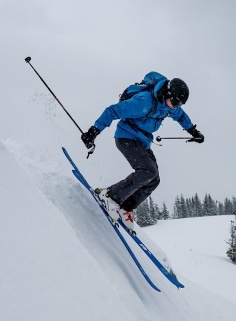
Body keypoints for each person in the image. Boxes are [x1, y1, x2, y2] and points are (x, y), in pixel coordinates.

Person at [81, 71, 204, 233]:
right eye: (174, 101)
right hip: (126, 138)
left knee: (154, 179)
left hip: (143, 142)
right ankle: (109, 195)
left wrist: (193, 131)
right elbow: (113, 111)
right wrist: (94, 131)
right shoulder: (144, 101)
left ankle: (125, 208)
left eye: (179, 104)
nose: (175, 106)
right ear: (167, 93)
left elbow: (180, 116)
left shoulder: (168, 106)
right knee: (147, 171)